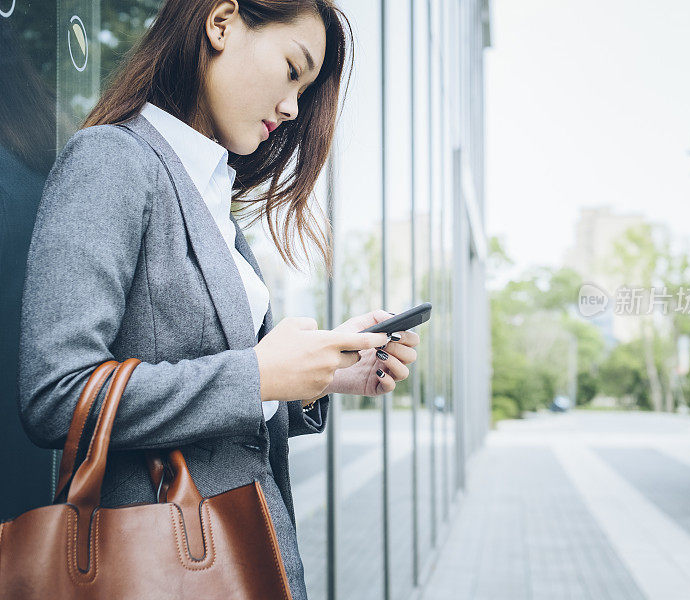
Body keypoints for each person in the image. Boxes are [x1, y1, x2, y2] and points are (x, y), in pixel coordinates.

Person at [15, 1, 419, 598]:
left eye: (305, 91)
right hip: (158, 563)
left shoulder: (211, 193)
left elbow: (224, 392)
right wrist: (257, 376)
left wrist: (324, 373)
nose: (292, 107)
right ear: (222, 22)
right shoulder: (112, 160)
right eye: (291, 70)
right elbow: (56, 392)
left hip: (239, 553)